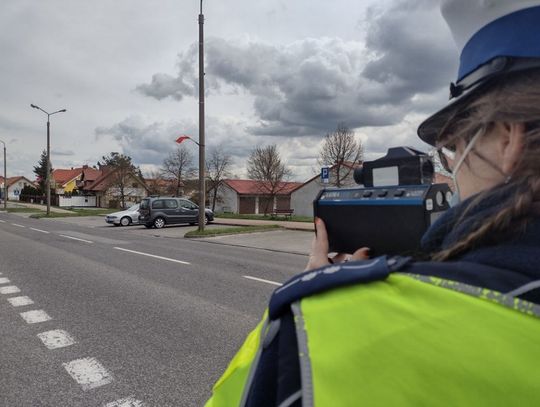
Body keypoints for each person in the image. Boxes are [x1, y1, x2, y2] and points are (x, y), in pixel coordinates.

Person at [206, 0, 540, 405]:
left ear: (508, 138)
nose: (452, 167)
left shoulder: (321, 324)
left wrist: (317, 293)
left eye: (453, 145)